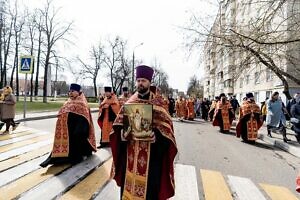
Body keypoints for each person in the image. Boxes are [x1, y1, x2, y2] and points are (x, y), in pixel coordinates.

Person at [110, 65, 178, 200]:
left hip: (152, 158)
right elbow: (117, 127)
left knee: (150, 192)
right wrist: (123, 135)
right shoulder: (130, 102)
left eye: (143, 80)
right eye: (138, 80)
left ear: (149, 82)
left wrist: (156, 137)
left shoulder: (158, 104)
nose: (140, 83)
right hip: (130, 156)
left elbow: (168, 132)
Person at [40, 84, 97, 167]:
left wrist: (79, 129)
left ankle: (77, 157)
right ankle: (56, 159)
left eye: (73, 91)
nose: (70, 93)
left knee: (76, 143)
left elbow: (85, 117)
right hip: (67, 127)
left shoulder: (82, 103)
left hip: (78, 128)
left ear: (78, 92)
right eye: (70, 91)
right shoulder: (68, 101)